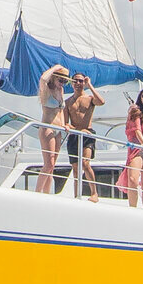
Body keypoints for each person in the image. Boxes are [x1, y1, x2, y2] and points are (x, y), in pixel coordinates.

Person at [60, 73, 104, 201]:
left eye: (80, 81)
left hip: (87, 134)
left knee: (85, 163)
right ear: (72, 83)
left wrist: (89, 84)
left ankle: (94, 193)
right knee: (75, 168)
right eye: (75, 81)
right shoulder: (67, 102)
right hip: (74, 135)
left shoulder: (89, 99)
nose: (78, 83)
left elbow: (101, 101)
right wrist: (73, 128)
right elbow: (66, 122)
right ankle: (76, 195)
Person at [35, 64, 71, 192]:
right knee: (48, 164)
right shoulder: (46, 91)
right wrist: (55, 68)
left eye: (65, 81)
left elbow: (60, 111)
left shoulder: (61, 91)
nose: (63, 83)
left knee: (52, 166)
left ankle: (47, 193)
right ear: (54, 78)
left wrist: (65, 124)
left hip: (58, 131)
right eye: (60, 80)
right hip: (47, 128)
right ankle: (37, 193)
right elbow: (43, 79)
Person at [120, 88, 143, 209]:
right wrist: (142, 143)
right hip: (138, 149)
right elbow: (137, 130)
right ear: (140, 98)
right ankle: (133, 208)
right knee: (133, 179)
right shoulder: (136, 112)